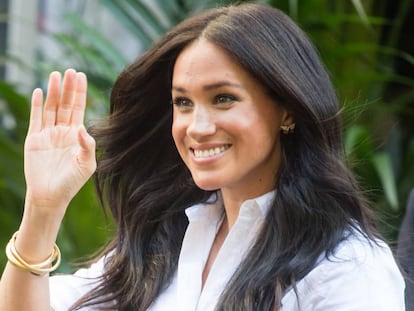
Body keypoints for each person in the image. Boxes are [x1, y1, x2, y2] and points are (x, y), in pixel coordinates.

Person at [0, 3, 405, 311]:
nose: (197, 126)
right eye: (183, 102)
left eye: (223, 98)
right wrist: (43, 208)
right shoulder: (165, 239)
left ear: (287, 108)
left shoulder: (347, 265)